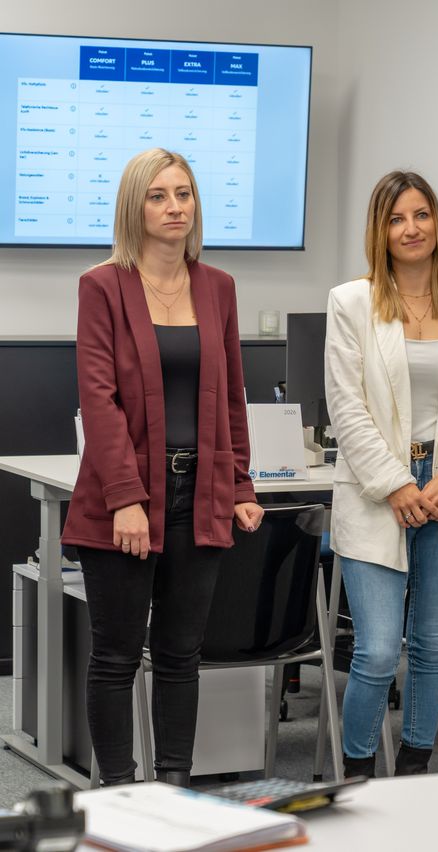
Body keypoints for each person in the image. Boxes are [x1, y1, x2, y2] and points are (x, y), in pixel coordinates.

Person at [61, 148, 264, 786]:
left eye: (184, 193)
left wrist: (239, 484)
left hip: (199, 491)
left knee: (181, 655)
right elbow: (99, 399)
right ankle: (120, 792)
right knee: (117, 656)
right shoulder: (102, 286)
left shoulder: (218, 287)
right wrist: (125, 497)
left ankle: (174, 789)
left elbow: (231, 397)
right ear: (135, 207)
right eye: (158, 195)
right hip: (124, 495)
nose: (175, 207)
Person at [325, 171, 438, 777]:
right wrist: (397, 483)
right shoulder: (350, 302)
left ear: (437, 223)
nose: (411, 228)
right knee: (377, 651)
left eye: (421, 215)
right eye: (397, 218)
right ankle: (356, 777)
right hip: (378, 488)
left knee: (432, 648)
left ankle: (413, 774)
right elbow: (346, 405)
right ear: (380, 230)